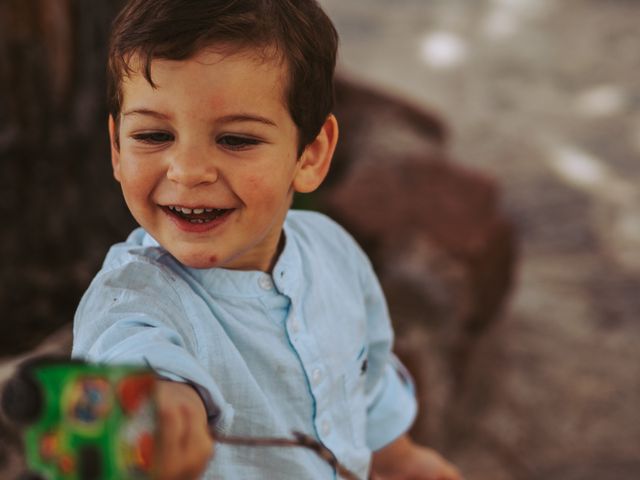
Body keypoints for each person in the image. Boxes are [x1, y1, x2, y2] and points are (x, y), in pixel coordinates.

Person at [72, 0, 463, 479]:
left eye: (236, 140)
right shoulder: (132, 301)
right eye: (153, 135)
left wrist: (402, 459)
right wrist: (158, 411)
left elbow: (365, 377)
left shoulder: (332, 250)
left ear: (311, 155)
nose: (189, 171)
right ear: (116, 147)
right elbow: (132, 368)